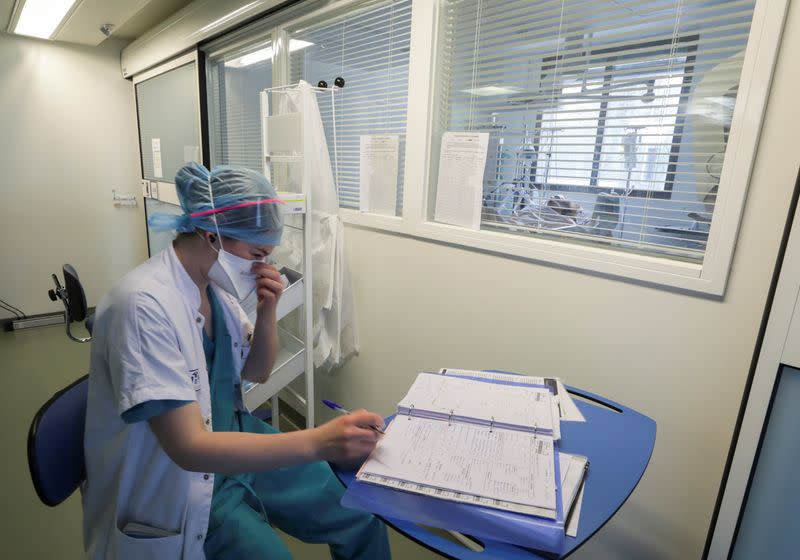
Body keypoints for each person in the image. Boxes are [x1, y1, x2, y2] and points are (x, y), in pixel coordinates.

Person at [82, 162, 390, 560]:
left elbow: (257, 371)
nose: (264, 266)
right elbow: (189, 448)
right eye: (257, 253)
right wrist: (319, 442)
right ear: (212, 236)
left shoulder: (215, 290)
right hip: (184, 478)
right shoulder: (143, 305)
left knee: (361, 514)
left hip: (235, 441)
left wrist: (267, 310)